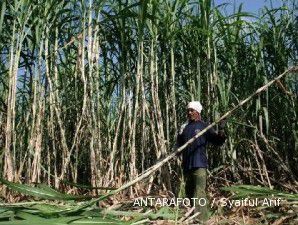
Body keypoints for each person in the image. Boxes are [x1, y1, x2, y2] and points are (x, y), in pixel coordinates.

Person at [176, 101, 226, 222]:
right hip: (187, 165)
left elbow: (217, 141)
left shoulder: (204, 126)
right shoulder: (184, 128)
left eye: (192, 110)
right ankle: (191, 216)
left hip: (199, 164)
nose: (189, 112)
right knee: (189, 192)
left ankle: (201, 219)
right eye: (188, 110)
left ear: (198, 112)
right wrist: (176, 151)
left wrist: (222, 133)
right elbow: (179, 145)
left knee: (199, 192)